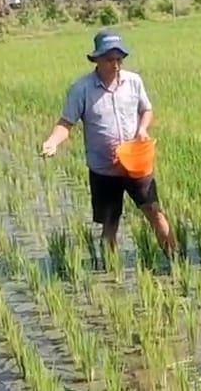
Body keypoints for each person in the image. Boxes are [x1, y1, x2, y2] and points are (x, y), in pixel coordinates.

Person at [40, 29, 175, 259]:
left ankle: (175, 257)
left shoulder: (133, 82)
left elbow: (147, 110)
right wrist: (52, 142)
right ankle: (112, 269)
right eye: (109, 59)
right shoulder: (81, 89)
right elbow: (66, 123)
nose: (115, 65)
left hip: (136, 163)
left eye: (119, 59)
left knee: (154, 211)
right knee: (110, 222)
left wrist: (142, 129)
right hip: (105, 169)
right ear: (97, 60)